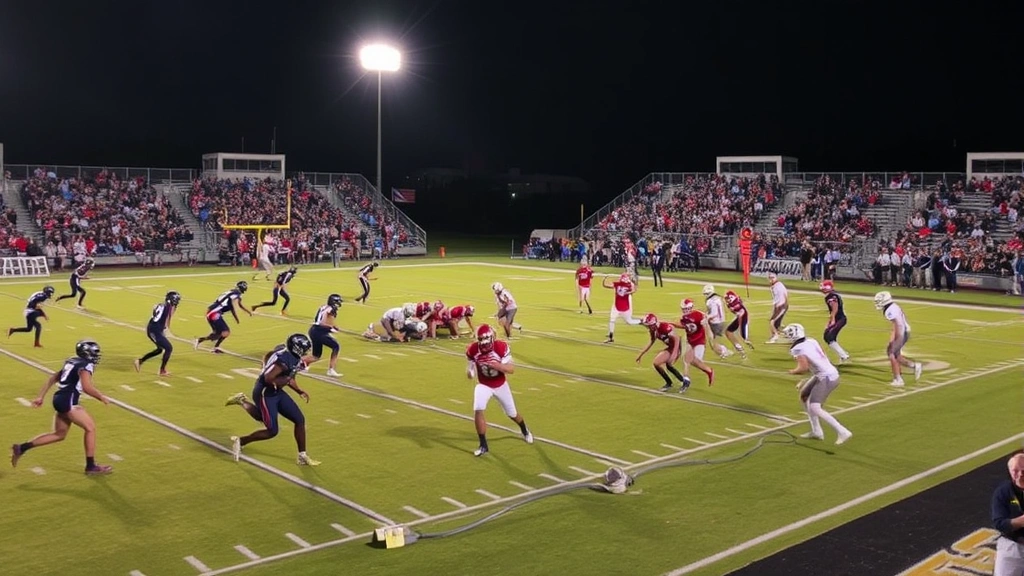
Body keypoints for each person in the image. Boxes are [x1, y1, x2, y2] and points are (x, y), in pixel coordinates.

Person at [10, 340, 114, 475]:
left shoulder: (71, 361)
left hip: (59, 398)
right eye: (95, 352)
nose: (96, 355)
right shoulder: (86, 365)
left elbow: (53, 378)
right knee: (90, 428)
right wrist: (101, 397)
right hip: (68, 401)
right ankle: (90, 466)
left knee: (59, 434)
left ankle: (21, 448)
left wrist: (40, 396)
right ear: (87, 353)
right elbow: (87, 387)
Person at [224, 334, 320, 466]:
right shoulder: (284, 359)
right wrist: (282, 381)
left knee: (299, 419)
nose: (306, 352)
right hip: (265, 392)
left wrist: (299, 391)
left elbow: (289, 377)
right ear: (297, 349)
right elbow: (269, 378)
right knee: (271, 430)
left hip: (276, 391)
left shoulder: (291, 356)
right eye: (304, 349)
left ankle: (302, 455)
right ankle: (241, 441)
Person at [465, 324, 532, 456]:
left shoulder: (501, 347)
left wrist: (499, 366)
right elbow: (470, 367)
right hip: (483, 384)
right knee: (478, 409)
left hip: (500, 385)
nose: (484, 347)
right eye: (481, 344)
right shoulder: (473, 349)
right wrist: (470, 372)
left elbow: (511, 369)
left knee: (512, 414)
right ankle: (483, 445)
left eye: (486, 344)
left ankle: (524, 429)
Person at [783, 324, 852, 445]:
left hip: (826, 377)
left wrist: (792, 371)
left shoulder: (797, 349)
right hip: (825, 373)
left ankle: (842, 431)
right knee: (804, 395)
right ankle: (817, 431)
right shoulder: (811, 340)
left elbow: (803, 367)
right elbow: (819, 358)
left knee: (815, 407)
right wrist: (810, 378)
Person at [874, 291, 923, 387]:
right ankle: (914, 366)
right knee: (896, 355)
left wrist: (893, 338)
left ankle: (898, 379)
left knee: (891, 354)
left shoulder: (890, 310)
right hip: (904, 330)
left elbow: (897, 325)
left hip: (902, 331)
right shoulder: (892, 306)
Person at [195, 281, 252, 353]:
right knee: (225, 332)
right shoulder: (236, 294)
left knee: (218, 334)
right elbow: (233, 306)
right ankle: (212, 346)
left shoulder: (232, 292)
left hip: (212, 311)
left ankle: (203, 341)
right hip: (214, 313)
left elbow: (236, 305)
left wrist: (247, 311)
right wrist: (237, 318)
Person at [636, 313, 687, 392]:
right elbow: (652, 341)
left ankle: (684, 382)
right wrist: (641, 354)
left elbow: (676, 339)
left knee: (669, 364)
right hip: (671, 347)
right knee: (656, 363)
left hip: (678, 346)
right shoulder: (654, 330)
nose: (648, 327)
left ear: (653, 324)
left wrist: (674, 354)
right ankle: (669, 383)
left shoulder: (664, 327)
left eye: (649, 325)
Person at [134, 291, 181, 376]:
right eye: (176, 300)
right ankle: (162, 371)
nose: (177, 302)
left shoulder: (164, 305)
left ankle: (140, 361)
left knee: (160, 350)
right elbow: (167, 320)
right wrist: (168, 331)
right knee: (169, 348)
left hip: (156, 329)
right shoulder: (167, 307)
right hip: (154, 330)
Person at [992, 453, 1024, 576]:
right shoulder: (1003, 492)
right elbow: (999, 523)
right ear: (1010, 472)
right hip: (1012, 546)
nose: (1020, 474)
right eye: (1015, 470)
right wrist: (1021, 521)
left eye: (1023, 470)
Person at [674, 299, 715, 388]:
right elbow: (683, 325)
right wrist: (672, 324)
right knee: (687, 360)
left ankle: (709, 371)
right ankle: (686, 380)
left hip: (699, 341)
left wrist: (706, 320)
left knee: (693, 360)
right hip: (690, 341)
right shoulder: (684, 317)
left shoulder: (698, 314)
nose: (684, 311)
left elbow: (708, 318)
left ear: (690, 308)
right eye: (683, 309)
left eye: (685, 309)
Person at [308, 294, 343, 377]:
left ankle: (300, 363)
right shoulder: (332, 310)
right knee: (336, 347)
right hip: (319, 332)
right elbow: (324, 322)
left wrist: (333, 327)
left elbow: (319, 319)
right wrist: (331, 328)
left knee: (316, 356)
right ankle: (331, 370)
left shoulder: (324, 307)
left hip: (313, 330)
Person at [602, 273, 641, 343]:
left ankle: (642, 321)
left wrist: (629, 291)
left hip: (624, 306)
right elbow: (605, 286)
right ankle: (611, 337)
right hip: (616, 306)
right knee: (612, 319)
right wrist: (604, 280)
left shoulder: (628, 285)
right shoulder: (618, 284)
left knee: (629, 322)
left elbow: (634, 290)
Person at [820, 280, 851, 363]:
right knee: (827, 336)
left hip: (840, 319)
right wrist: (829, 321)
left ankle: (844, 356)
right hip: (839, 319)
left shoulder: (831, 296)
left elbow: (835, 308)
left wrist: (832, 320)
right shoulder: (833, 295)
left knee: (829, 337)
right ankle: (843, 354)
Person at [702, 284, 732, 358]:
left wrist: (706, 317)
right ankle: (724, 351)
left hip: (716, 323)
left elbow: (714, 313)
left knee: (713, 342)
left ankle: (724, 352)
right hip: (720, 321)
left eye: (706, 294)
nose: (706, 295)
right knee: (713, 341)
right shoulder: (717, 298)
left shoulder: (711, 301)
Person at [723, 290, 754, 358]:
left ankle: (743, 347)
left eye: (727, 298)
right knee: (728, 332)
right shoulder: (734, 301)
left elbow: (740, 315)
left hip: (743, 317)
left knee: (743, 337)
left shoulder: (735, 305)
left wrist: (740, 327)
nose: (726, 300)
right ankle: (740, 347)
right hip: (741, 316)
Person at [765, 272, 790, 344]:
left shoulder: (776, 286)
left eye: (773, 278)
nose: (771, 280)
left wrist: (778, 308)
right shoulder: (778, 285)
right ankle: (785, 334)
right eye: (770, 278)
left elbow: (778, 298)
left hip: (781, 306)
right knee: (777, 324)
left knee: (772, 322)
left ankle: (775, 336)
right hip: (783, 305)